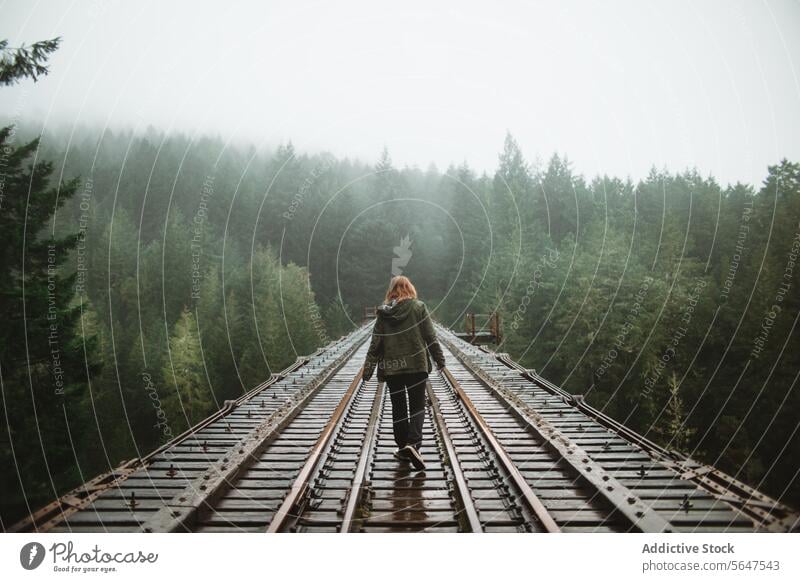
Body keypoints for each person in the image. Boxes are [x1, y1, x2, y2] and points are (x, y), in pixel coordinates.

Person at [362, 275, 445, 470]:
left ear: (391, 291)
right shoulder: (419, 307)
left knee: (398, 408)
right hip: (417, 366)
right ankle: (413, 444)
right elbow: (430, 336)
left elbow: (376, 344)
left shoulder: (383, 314)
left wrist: (367, 371)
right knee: (417, 406)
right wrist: (440, 360)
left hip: (393, 368)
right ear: (410, 288)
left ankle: (403, 447)